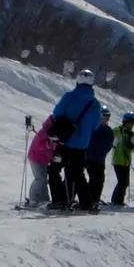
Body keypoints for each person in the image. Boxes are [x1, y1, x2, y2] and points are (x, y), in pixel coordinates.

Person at [50, 70, 105, 212]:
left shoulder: (69, 97)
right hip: (82, 145)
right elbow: (95, 126)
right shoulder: (95, 104)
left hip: (65, 142)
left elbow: (57, 113)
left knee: (54, 169)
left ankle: (59, 200)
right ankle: (86, 203)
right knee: (77, 173)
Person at [25, 116, 65, 209]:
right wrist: (48, 145)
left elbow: (55, 147)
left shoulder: (53, 132)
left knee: (43, 179)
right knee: (40, 178)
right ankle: (34, 199)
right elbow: (39, 145)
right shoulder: (45, 131)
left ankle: (43, 198)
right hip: (36, 158)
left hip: (44, 160)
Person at [84, 106, 115, 212]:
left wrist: (104, 151)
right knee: (93, 179)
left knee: (99, 179)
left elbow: (110, 143)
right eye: (104, 116)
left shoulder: (108, 130)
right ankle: (88, 199)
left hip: (100, 159)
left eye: (107, 117)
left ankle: (95, 199)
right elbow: (87, 142)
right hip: (90, 158)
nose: (106, 119)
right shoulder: (93, 128)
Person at [108, 112, 134, 206]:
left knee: (125, 182)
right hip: (118, 160)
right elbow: (112, 141)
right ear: (125, 122)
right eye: (129, 122)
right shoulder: (117, 130)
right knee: (122, 182)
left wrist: (131, 146)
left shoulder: (132, 134)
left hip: (126, 161)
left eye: (133, 123)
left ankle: (118, 200)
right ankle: (116, 200)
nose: (131, 125)